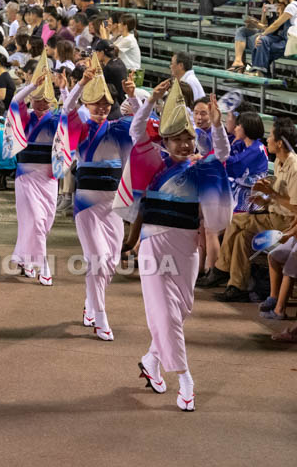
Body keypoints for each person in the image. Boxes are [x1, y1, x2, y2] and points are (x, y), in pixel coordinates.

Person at [117, 79, 231, 412]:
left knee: (180, 310)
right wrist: (150, 99)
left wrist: (219, 127)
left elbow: (221, 153)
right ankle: (185, 378)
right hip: (154, 245)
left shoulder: (201, 167)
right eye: (177, 139)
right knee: (165, 315)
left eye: (189, 138)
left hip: (187, 248)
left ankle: (151, 361)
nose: (184, 144)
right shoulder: (152, 161)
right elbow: (137, 133)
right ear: (165, 140)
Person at [57, 55, 135, 341]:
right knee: (98, 259)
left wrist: (133, 96)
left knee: (110, 262)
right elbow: (67, 109)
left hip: (113, 206)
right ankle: (101, 318)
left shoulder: (120, 129)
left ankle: (91, 302)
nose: (102, 108)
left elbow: (141, 125)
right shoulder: (83, 127)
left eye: (106, 104)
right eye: (96, 103)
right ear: (88, 106)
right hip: (87, 206)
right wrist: (80, 85)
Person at [198, 118, 297, 299]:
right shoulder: (279, 163)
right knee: (242, 238)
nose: (268, 140)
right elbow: (279, 198)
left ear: (280, 143)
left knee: (235, 220)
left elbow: (294, 206)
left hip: (287, 223)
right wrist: (264, 198)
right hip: (273, 216)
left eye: (271, 136)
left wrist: (272, 195)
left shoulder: (294, 167)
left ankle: (221, 269)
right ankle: (237, 287)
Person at [5, 53, 60, 284]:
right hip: (26, 176)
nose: (41, 103)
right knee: (35, 221)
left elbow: (73, 116)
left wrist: (66, 90)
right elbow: (14, 102)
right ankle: (43, 265)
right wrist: (31, 86)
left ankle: (25, 258)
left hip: (48, 177)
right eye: (37, 99)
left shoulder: (57, 120)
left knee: (41, 223)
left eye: (45, 99)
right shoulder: (24, 117)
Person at [250, 0, 297, 75]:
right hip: (285, 39)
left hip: (291, 42)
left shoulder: (291, 6)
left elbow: (276, 24)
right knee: (261, 42)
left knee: (261, 46)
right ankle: (261, 72)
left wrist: (262, 34)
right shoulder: (289, 6)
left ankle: (260, 72)